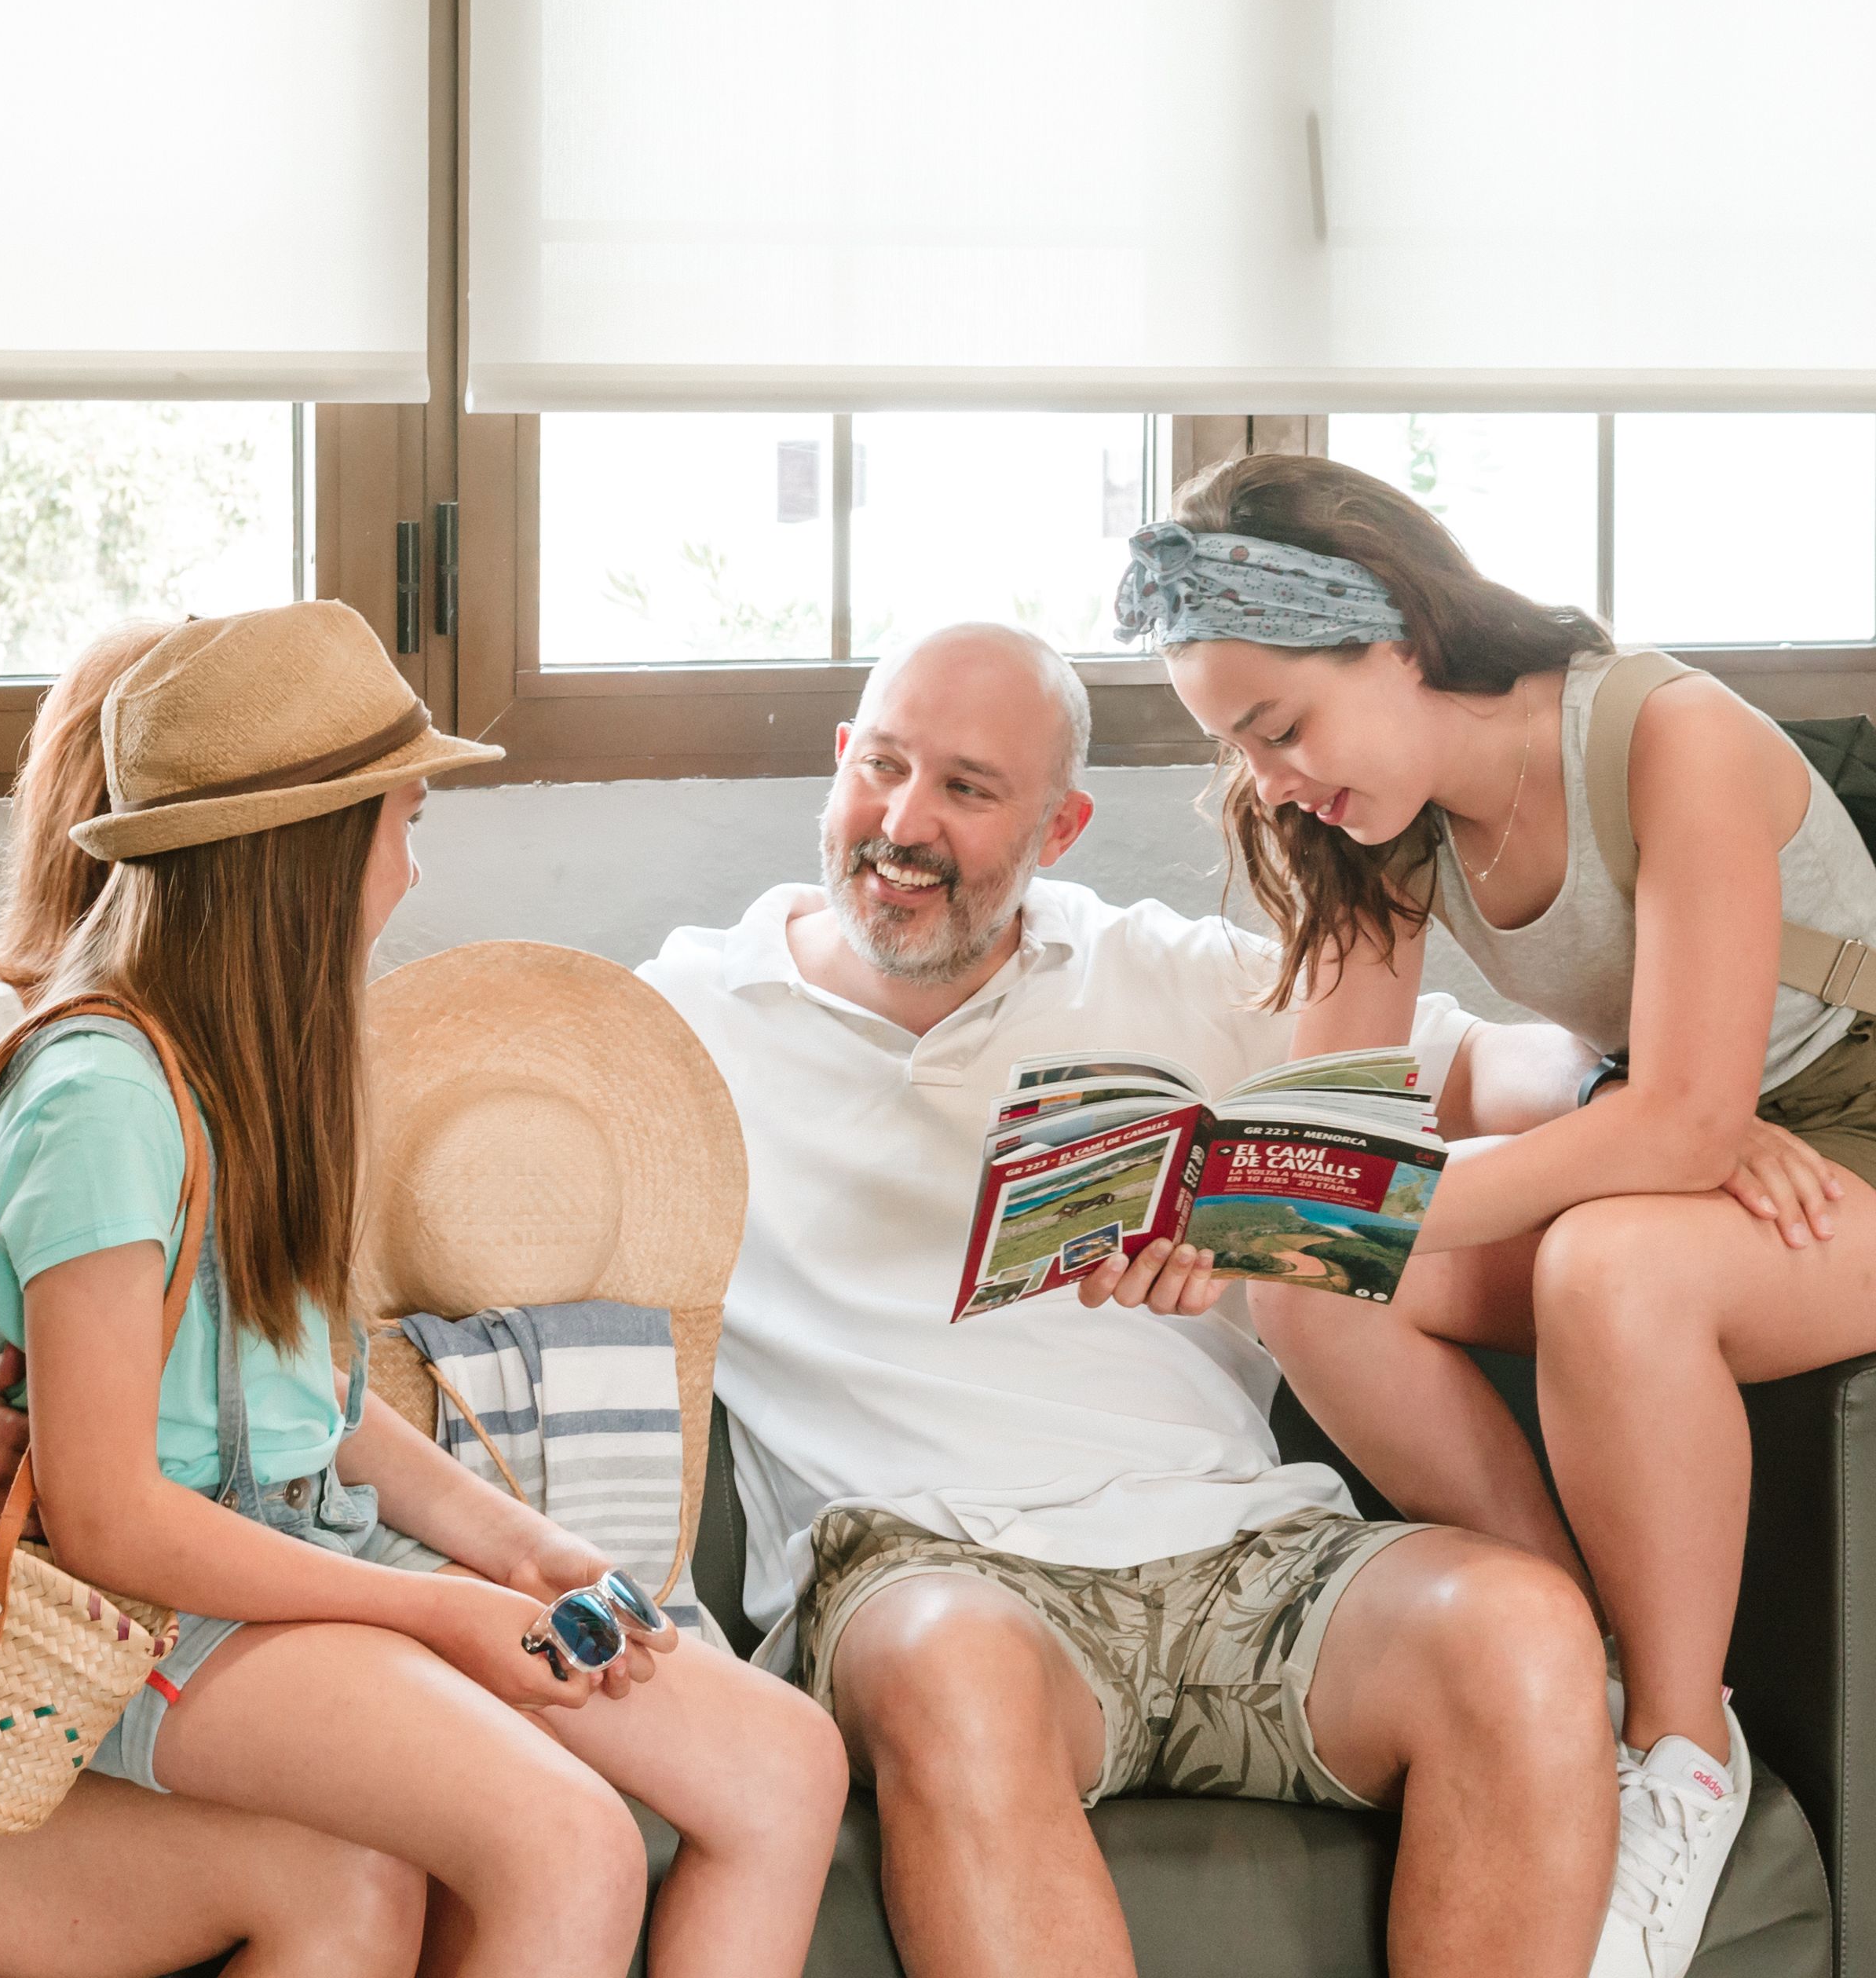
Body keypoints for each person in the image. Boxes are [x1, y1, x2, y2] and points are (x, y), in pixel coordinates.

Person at [0, 601, 844, 1978]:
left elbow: (305, 1401)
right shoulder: (74, 1089)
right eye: (404, 823)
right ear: (302, 849)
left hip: (243, 1561)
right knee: (542, 1840)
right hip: (42, 1630)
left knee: (783, 1763)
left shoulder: (264, 1076)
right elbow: (108, 1512)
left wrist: (516, 1546)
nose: (414, 869)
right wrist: (446, 1604)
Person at [1135, 453, 1876, 1977]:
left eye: (1280, 725)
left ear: (1400, 631)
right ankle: (1587, 1661)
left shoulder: (1666, 732)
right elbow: (1338, 1133)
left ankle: (1684, 1754)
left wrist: (1458, 1188)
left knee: (1607, 1269)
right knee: (1306, 1283)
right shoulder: (1385, 818)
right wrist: (1230, 1206)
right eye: (1240, 745)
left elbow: (1688, 1122)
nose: (1275, 777)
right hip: (1696, 1130)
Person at [639, 621, 1622, 1978]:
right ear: (838, 765)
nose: (904, 824)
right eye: (882, 768)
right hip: (934, 1573)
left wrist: (1630, 1103)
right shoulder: (677, 1021)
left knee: (1522, 1629)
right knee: (950, 1668)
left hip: (1244, 1553)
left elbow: (1471, 1066)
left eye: (969, 791)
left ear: (1065, 822)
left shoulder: (1171, 973)